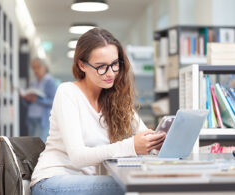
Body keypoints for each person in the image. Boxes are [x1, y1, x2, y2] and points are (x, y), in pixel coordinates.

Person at [30, 28, 166, 195]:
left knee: (141, 182)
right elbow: (78, 157)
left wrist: (157, 142)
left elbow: (144, 134)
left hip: (87, 182)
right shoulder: (67, 92)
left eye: (115, 64)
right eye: (101, 67)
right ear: (82, 65)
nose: (110, 73)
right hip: (52, 182)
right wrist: (132, 146)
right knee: (130, 186)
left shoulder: (115, 99)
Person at [21, 58, 57, 142]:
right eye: (33, 68)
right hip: (31, 118)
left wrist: (37, 99)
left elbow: (53, 102)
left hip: (42, 120)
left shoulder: (49, 81)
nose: (36, 70)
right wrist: (27, 98)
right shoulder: (33, 83)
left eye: (38, 67)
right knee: (32, 146)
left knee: (39, 147)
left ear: (45, 67)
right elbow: (29, 103)